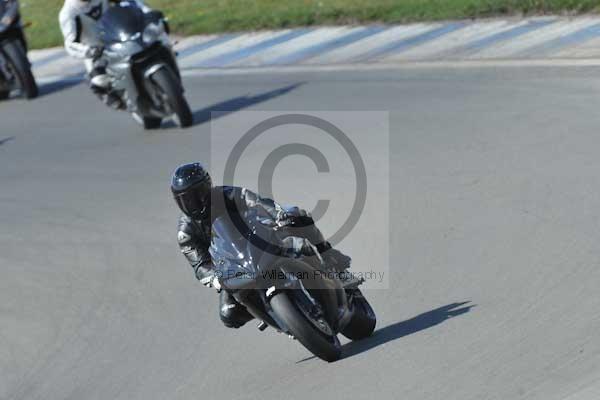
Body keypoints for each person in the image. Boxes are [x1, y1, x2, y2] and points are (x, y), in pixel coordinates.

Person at [171, 162, 351, 329]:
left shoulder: (227, 195)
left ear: (207, 187)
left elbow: (256, 202)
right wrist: (214, 278)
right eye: (185, 199)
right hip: (232, 266)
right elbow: (200, 265)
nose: (194, 202)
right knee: (229, 313)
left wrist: (278, 216)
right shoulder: (186, 232)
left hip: (260, 241)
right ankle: (270, 312)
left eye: (198, 194)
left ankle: (329, 257)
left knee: (298, 218)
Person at [58, 0, 153, 107]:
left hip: (121, 36)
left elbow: (131, 1)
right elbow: (70, 44)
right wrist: (89, 51)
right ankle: (116, 97)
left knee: (156, 41)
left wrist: (149, 13)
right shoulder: (68, 13)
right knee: (99, 81)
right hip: (96, 50)